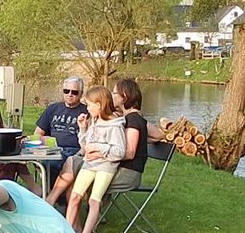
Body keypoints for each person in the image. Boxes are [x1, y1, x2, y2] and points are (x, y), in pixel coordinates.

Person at [46, 78, 164, 212]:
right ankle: (55, 205)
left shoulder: (134, 119)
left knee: (75, 174)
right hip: (110, 162)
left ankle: (62, 213)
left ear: (124, 97)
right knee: (72, 161)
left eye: (114, 93)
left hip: (123, 171)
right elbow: (157, 135)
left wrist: (99, 153)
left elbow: (130, 152)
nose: (111, 95)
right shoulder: (123, 117)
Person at [64, 86, 125, 233]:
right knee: (75, 196)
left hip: (106, 167)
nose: (87, 108)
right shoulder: (94, 121)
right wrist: (82, 129)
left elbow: (119, 151)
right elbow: (85, 147)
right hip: (89, 164)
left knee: (94, 200)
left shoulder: (115, 125)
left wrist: (99, 148)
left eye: (90, 105)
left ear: (99, 105)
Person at [34, 77, 88, 179]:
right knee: (46, 162)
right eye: (66, 91)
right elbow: (38, 133)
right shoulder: (52, 109)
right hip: (52, 150)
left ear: (81, 93)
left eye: (74, 92)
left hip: (75, 151)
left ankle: (53, 192)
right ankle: (51, 191)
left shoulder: (86, 111)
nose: (70, 94)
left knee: (56, 164)